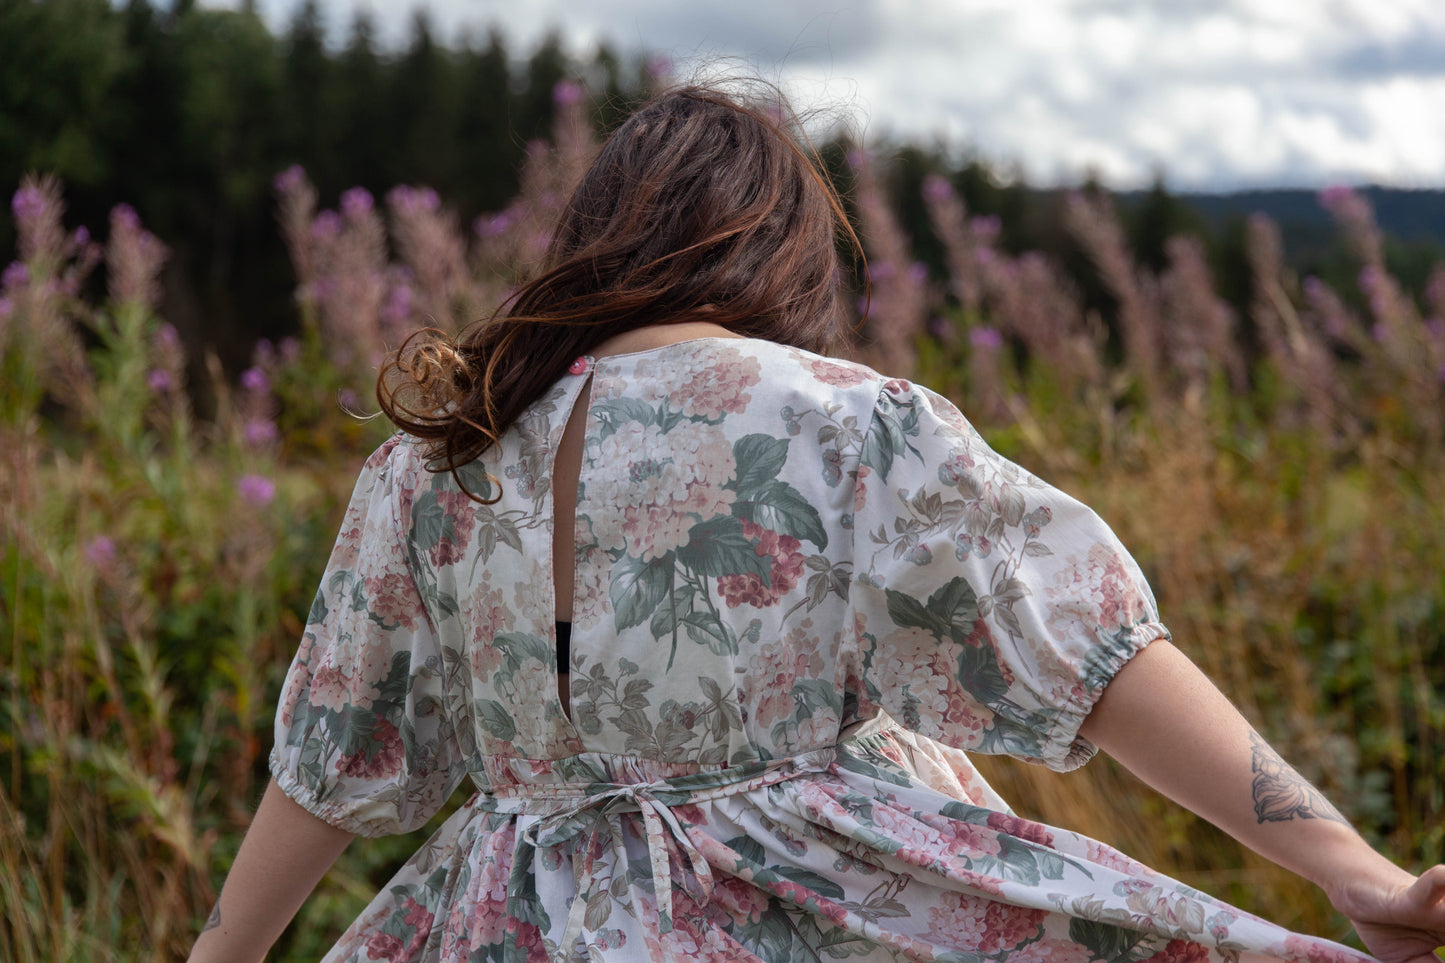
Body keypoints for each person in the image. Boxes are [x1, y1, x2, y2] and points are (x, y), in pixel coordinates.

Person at [187, 83, 1444, 963]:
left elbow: (331, 761)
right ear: (775, 254)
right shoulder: (850, 425)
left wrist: (219, 957)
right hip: (820, 906)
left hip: (506, 920)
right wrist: (1350, 873)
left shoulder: (439, 462)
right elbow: (1097, 658)